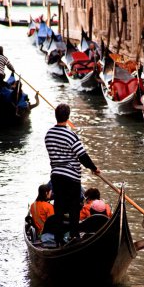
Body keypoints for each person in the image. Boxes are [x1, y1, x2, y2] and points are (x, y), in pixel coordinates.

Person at [45, 103, 100, 245]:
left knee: (59, 207)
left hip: (56, 176)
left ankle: (58, 240)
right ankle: (74, 237)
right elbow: (82, 156)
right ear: (68, 116)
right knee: (74, 208)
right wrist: (94, 168)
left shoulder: (49, 135)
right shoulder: (71, 135)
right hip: (71, 177)